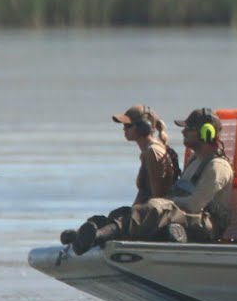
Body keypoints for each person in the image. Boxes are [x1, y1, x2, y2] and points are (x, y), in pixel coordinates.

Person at [70, 108, 235, 254]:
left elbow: (193, 205)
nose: (183, 132)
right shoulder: (195, 160)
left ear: (206, 133)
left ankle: (99, 236)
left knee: (156, 208)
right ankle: (88, 233)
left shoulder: (218, 167)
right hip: (188, 216)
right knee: (126, 212)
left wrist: (166, 202)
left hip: (205, 225)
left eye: (188, 129)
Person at [58, 104, 177, 245]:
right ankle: (82, 235)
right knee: (111, 216)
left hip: (152, 215)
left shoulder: (153, 152)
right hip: (143, 210)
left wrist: (136, 218)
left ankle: (94, 237)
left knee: (121, 220)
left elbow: (158, 197)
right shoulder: (147, 151)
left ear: (143, 127)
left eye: (128, 126)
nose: (124, 129)